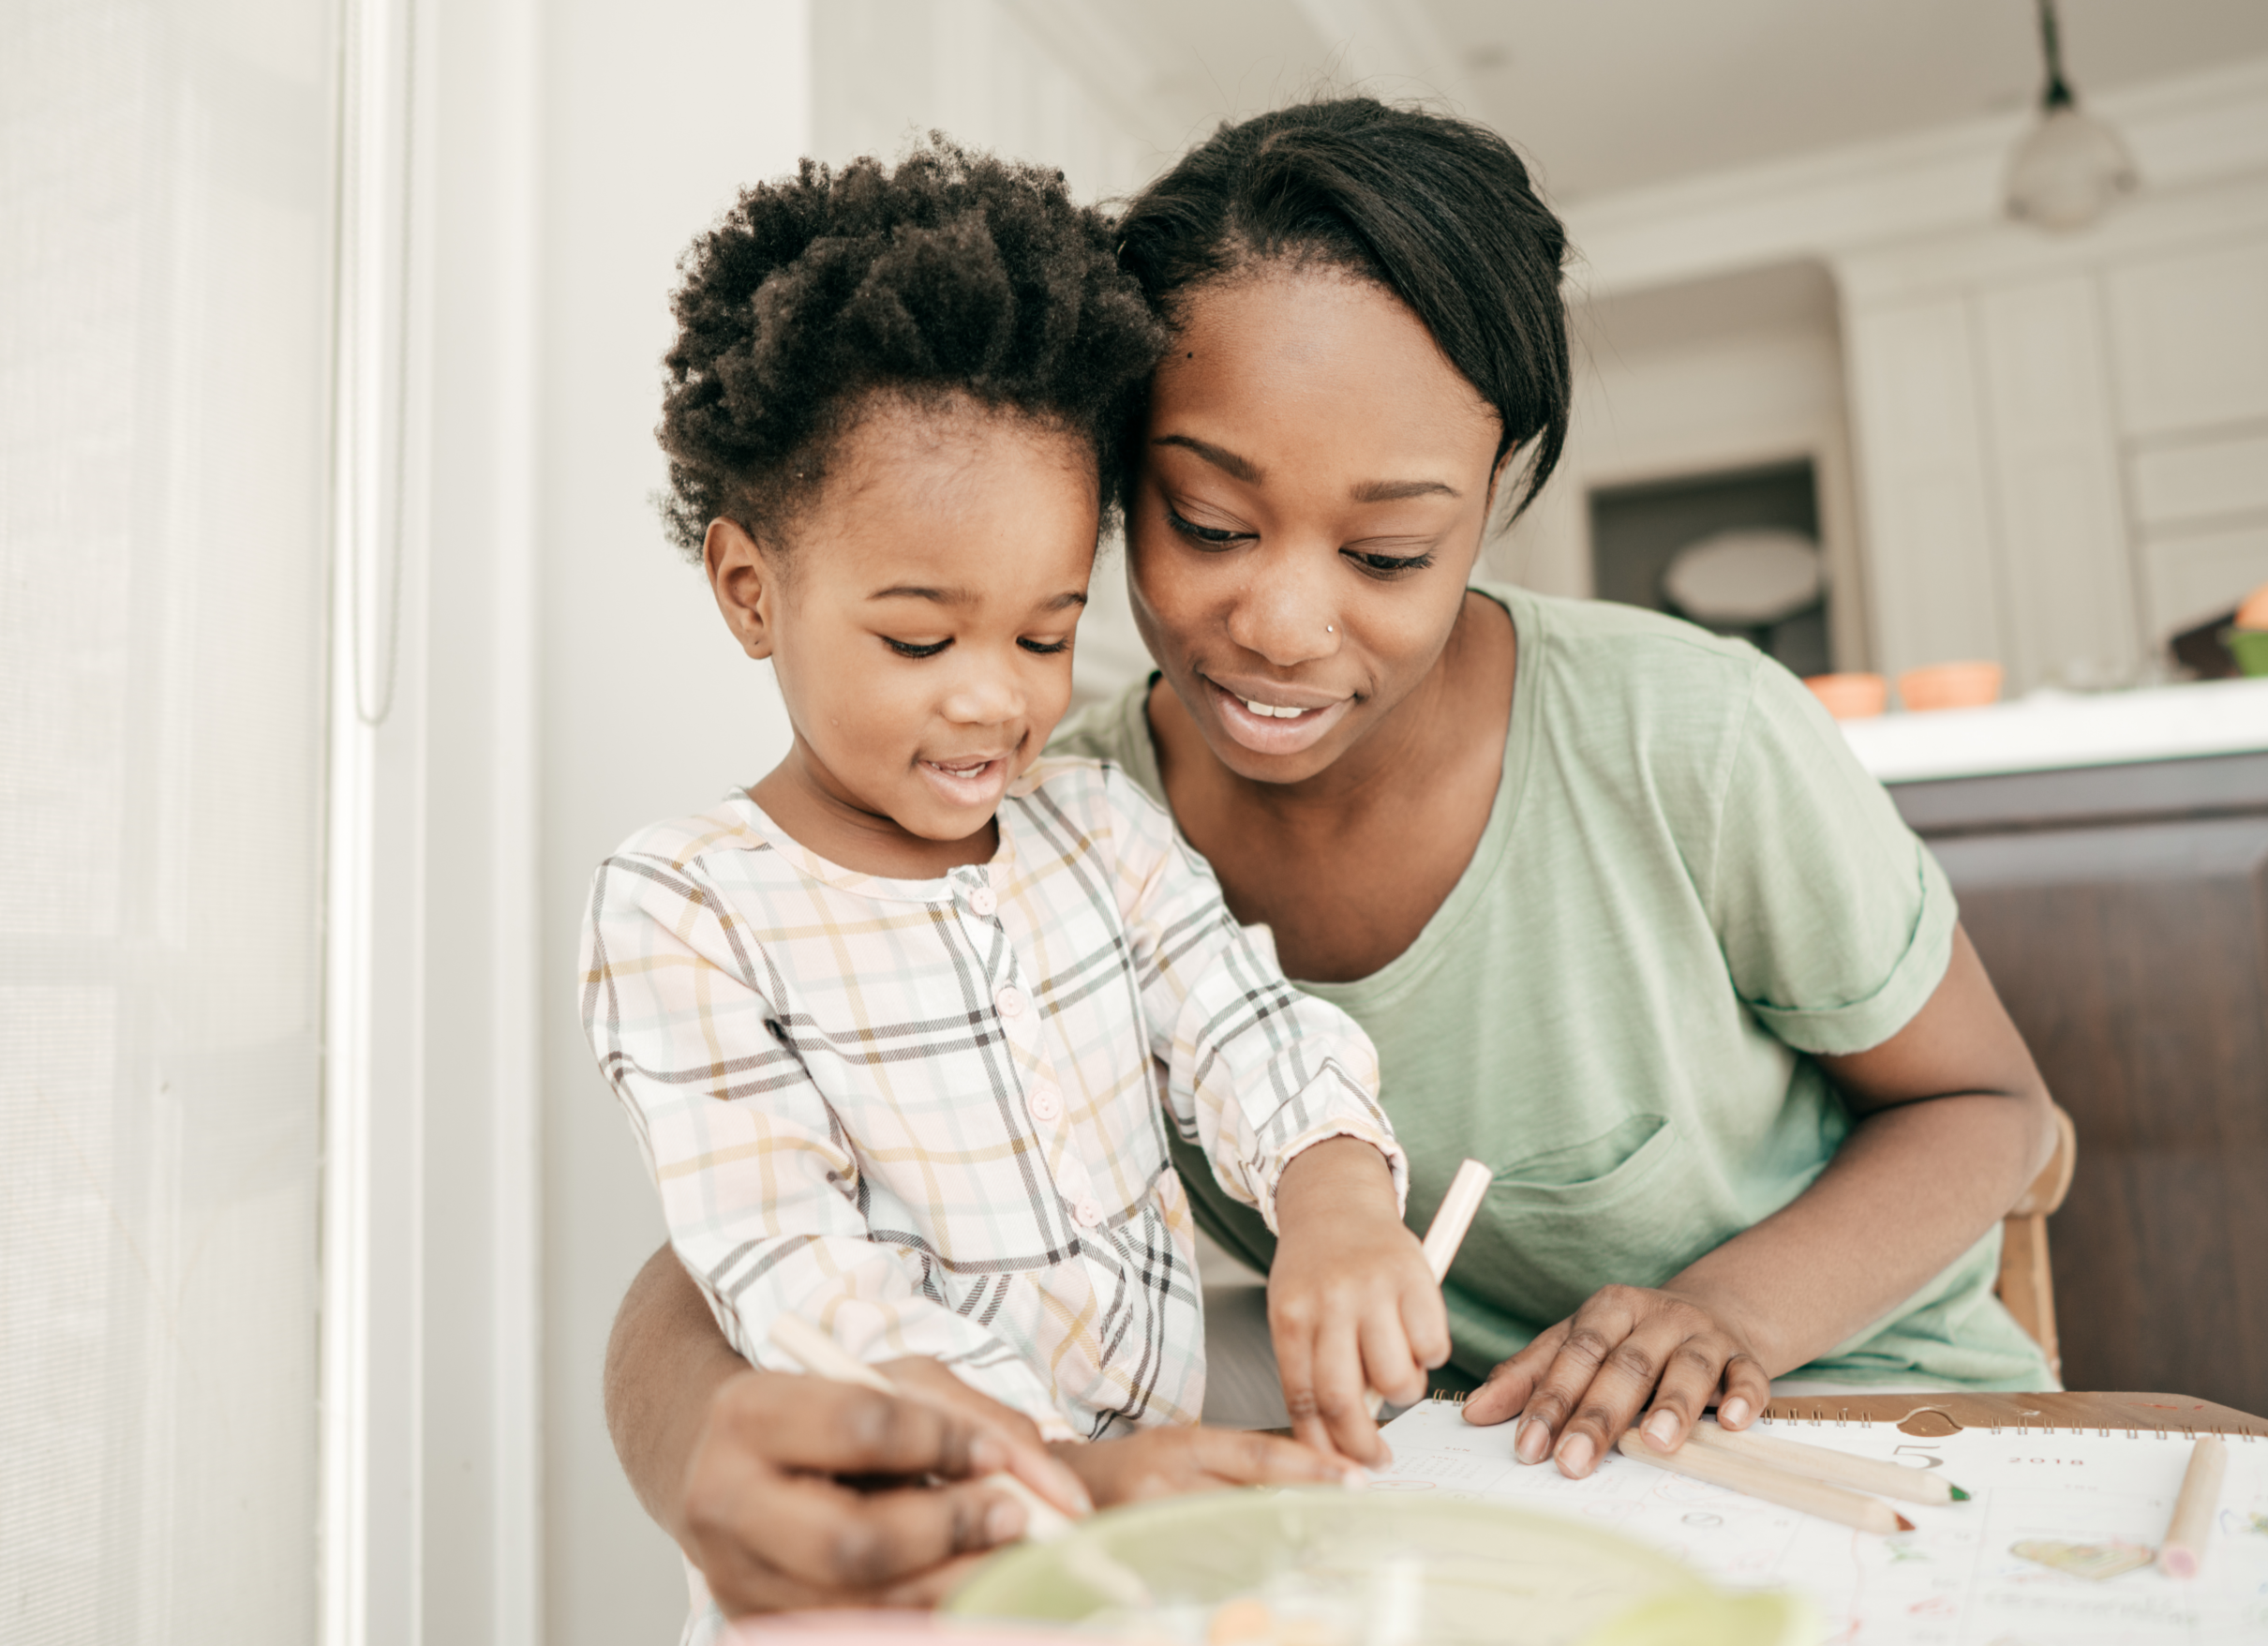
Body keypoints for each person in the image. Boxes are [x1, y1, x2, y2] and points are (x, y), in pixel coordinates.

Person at [602, 97, 2061, 1607]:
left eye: (1384, 553)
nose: (1285, 628)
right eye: (1209, 520)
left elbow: (1993, 1108)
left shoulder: (1694, 741)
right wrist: (706, 1441)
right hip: (1484, 1468)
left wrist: (1721, 1310)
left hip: (1864, 1416)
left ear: (1491, 501)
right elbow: (750, 1230)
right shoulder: (1038, 815)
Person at [581, 138, 1449, 1634]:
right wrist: (1045, 1473)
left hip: (1149, 1541)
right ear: (750, 589)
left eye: (1045, 637)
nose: (995, 703)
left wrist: (1335, 1197)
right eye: (923, 641)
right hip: (910, 1566)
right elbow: (787, 1267)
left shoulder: (1097, 828)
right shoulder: (689, 906)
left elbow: (1244, 1023)